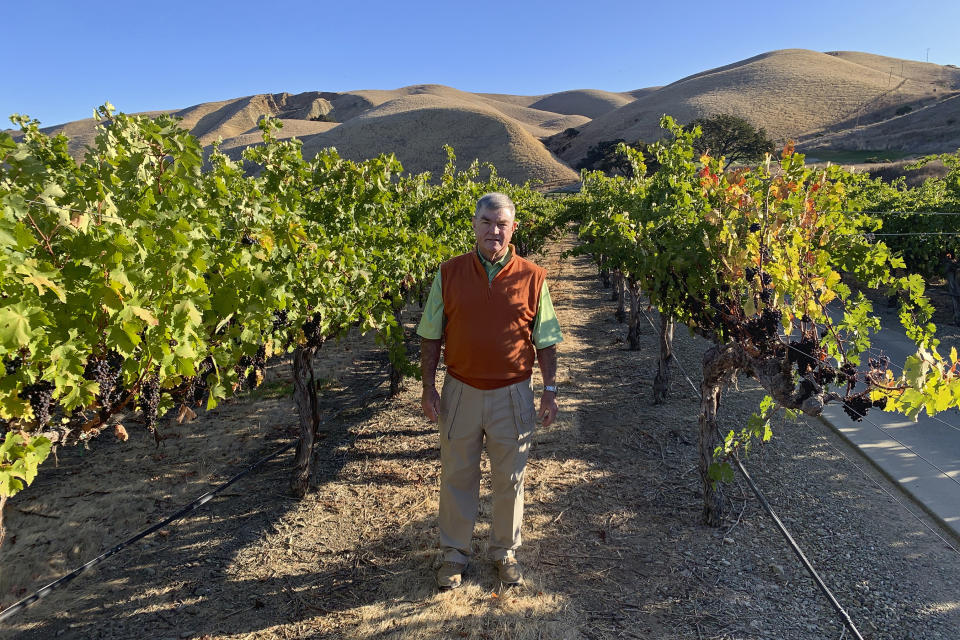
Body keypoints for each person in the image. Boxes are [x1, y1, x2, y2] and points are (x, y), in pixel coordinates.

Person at [417, 192, 562, 590]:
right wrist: (429, 387)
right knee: (456, 475)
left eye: (502, 223)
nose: (493, 231)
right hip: (460, 390)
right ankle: (453, 555)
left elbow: (546, 340)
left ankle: (504, 552)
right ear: (475, 225)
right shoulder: (448, 273)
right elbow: (431, 335)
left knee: (509, 478)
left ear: (514, 228)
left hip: (512, 394)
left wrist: (549, 390)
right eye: (486, 222)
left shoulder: (533, 277)